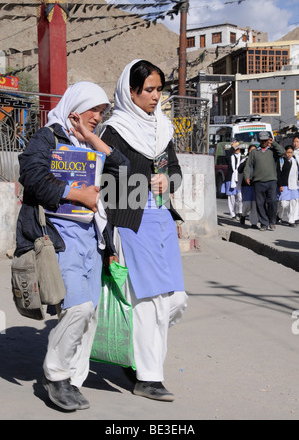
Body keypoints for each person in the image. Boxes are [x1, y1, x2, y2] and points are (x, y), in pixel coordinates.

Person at [15, 82, 130, 411]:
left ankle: (72, 382)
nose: (99, 116)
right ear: (76, 108)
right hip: (58, 238)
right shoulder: (47, 137)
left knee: (89, 313)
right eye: (94, 109)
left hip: (91, 239)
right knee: (76, 307)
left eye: (102, 111)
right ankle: (56, 375)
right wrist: (77, 194)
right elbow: (32, 175)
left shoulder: (89, 142)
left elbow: (123, 170)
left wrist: (92, 137)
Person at [100, 59, 188, 402]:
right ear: (130, 91)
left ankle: (135, 355)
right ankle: (148, 377)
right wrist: (139, 182)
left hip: (162, 220)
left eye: (158, 90)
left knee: (176, 300)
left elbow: (176, 171)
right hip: (131, 223)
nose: (155, 97)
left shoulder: (162, 129)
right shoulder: (113, 132)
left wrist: (168, 180)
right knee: (150, 302)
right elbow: (104, 184)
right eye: (148, 90)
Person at [244, 131, 285, 231]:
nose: (264, 142)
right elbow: (248, 165)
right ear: (259, 140)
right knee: (260, 203)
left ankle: (272, 221)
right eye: (262, 140)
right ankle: (264, 223)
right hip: (258, 182)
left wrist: (274, 143)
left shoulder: (273, 151)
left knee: (272, 202)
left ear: (268, 140)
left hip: (271, 181)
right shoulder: (254, 152)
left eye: (265, 140)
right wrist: (247, 176)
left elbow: (283, 152)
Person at [277, 145, 299, 227]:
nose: (289, 154)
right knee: (283, 204)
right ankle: (279, 215)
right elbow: (278, 174)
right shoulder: (282, 161)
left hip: (294, 185)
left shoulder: (295, 161)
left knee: (293, 203)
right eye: (288, 152)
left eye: (291, 152)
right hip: (284, 185)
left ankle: (291, 220)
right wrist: (280, 185)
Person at [238, 144, 258, 228]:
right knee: (247, 204)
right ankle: (243, 215)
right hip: (246, 185)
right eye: (251, 150)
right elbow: (239, 170)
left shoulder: (258, 160)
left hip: (256, 185)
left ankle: (254, 223)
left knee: (254, 204)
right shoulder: (245, 160)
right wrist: (247, 162)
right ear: (248, 151)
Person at [221, 140, 242, 220]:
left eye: (238, 148)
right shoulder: (230, 157)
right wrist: (232, 147)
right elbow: (227, 155)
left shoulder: (241, 157)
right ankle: (232, 214)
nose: (237, 150)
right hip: (230, 179)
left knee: (240, 197)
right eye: (236, 149)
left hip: (239, 179)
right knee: (231, 197)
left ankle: (240, 212)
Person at [293, 133, 299, 223]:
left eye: (297, 142)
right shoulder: (291, 153)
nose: (295, 143)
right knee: (295, 199)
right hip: (294, 179)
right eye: (294, 142)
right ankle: (296, 217)